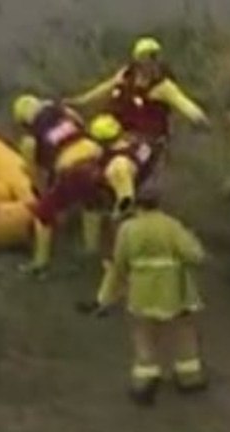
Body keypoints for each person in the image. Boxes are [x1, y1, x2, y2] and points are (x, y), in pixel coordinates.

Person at [102, 182, 207, 405]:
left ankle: (145, 382)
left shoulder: (128, 229)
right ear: (160, 202)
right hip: (175, 288)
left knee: (144, 335)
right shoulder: (171, 225)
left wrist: (113, 291)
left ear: (137, 204)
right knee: (184, 331)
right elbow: (195, 255)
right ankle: (190, 378)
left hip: (142, 289)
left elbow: (120, 262)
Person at [12, 94, 129, 275]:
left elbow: (33, 171)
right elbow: (82, 126)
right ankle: (91, 249)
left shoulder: (30, 139)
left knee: (43, 215)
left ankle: (40, 263)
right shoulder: (64, 112)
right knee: (91, 204)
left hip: (73, 171)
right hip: (97, 159)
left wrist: (44, 193)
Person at [78, 113, 163, 311]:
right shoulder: (136, 141)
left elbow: (126, 198)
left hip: (133, 204)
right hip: (149, 186)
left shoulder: (117, 166)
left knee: (115, 257)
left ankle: (111, 298)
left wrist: (116, 218)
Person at [64, 36, 210, 147]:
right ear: (139, 60)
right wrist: (78, 103)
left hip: (145, 140)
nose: (153, 63)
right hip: (115, 133)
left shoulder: (162, 86)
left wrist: (199, 119)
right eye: (148, 58)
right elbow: (102, 91)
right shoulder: (125, 77)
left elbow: (184, 103)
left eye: (155, 58)